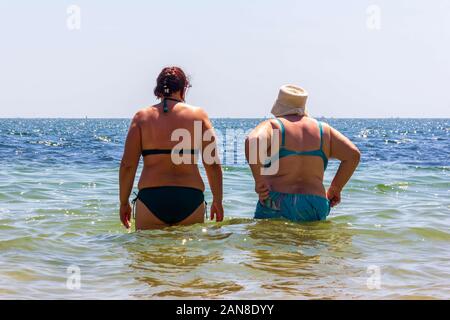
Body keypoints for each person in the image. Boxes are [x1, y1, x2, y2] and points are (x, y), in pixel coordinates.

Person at [119, 66, 224, 230]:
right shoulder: (199, 116)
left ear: (159, 90)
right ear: (184, 88)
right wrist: (218, 201)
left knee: (149, 255)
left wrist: (124, 202)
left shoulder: (141, 117)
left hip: (151, 199)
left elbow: (128, 165)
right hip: (190, 198)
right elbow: (212, 164)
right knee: (188, 254)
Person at [245, 85, 360, 222]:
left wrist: (259, 181)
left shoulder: (274, 126)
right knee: (312, 242)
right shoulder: (324, 130)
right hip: (316, 202)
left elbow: (253, 141)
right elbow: (353, 155)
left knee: (270, 241)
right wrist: (336, 188)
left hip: (277, 202)